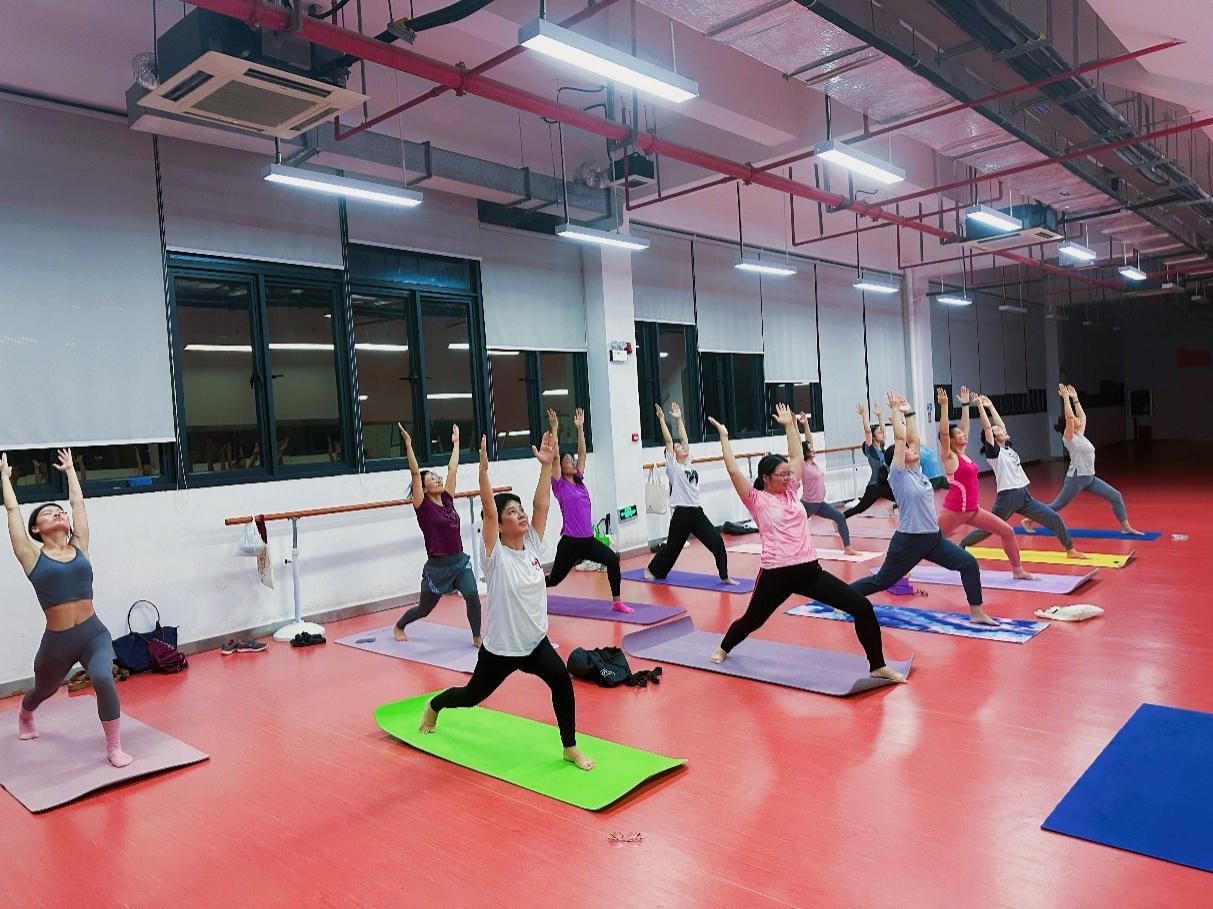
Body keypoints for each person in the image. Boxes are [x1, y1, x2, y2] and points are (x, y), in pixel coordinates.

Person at [419, 433, 595, 771]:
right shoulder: (495, 556)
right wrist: (483, 473)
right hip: (500, 650)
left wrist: (546, 467)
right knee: (470, 696)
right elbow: (488, 512)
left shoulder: (532, 545)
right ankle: (435, 705)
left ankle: (569, 747)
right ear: (500, 527)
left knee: (561, 680)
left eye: (520, 510)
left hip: (535, 643)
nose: (521, 515)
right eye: (512, 513)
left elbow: (542, 506)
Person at [705, 404, 904, 682]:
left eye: (789, 474)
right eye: (782, 475)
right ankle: (724, 647)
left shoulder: (791, 492)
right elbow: (733, 471)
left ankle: (877, 665)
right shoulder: (757, 500)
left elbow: (797, 455)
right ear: (766, 479)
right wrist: (725, 438)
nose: (789, 478)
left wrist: (790, 426)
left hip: (809, 571)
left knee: (862, 607)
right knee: (752, 621)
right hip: (776, 575)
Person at [2, 449, 133, 767]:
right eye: (48, 513)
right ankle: (26, 714)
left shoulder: (80, 546)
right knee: (43, 690)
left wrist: (71, 471)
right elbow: (13, 512)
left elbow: (77, 504)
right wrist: (5, 479)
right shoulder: (31, 556)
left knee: (102, 677)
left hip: (93, 634)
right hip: (57, 643)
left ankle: (114, 747)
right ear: (36, 529)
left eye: (59, 512)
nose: (58, 514)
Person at [852, 393, 999, 626]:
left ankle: (976, 612)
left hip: (933, 538)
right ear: (897, 459)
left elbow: (913, 439)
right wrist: (895, 412)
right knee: (881, 581)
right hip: (908, 542)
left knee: (968, 563)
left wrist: (910, 412)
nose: (914, 449)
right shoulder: (898, 475)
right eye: (907, 450)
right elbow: (901, 438)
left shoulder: (917, 471)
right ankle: (843, 597)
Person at [958, 396, 1087, 558]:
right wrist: (980, 408)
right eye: (998, 432)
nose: (1003, 430)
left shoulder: (1007, 448)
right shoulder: (994, 453)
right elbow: (988, 428)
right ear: (993, 438)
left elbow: (1000, 425)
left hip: (1024, 496)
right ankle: (962, 544)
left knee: (1054, 518)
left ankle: (1070, 550)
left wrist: (990, 406)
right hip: (1007, 498)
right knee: (989, 528)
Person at [393, 423, 482, 645]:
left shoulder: (448, 499)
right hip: (437, 568)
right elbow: (415, 473)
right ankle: (400, 625)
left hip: (459, 562)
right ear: (423, 488)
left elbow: (452, 469)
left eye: (437, 477)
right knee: (424, 609)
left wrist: (456, 444)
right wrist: (408, 445)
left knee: (472, 593)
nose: (438, 479)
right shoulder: (422, 506)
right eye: (432, 479)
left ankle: (477, 635)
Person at [935, 387, 1036, 581]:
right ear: (952, 441)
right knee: (927, 543)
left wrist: (966, 405)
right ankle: (901, 570)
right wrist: (944, 407)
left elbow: (964, 428)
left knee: (1007, 531)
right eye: (959, 434)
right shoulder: (949, 457)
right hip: (954, 511)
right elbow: (944, 434)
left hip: (972, 510)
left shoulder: (963, 453)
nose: (964, 435)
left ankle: (1018, 570)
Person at [1023, 384, 1142, 535]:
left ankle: (1125, 527)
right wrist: (1066, 399)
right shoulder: (1069, 438)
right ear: (1070, 425)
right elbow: (1070, 417)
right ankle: (1028, 520)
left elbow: (1083, 416)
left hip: (1089, 478)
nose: (1078, 419)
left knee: (1115, 496)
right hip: (1076, 478)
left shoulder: (1080, 434)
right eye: (1075, 419)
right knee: (1056, 506)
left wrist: (1075, 399)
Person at [543, 408, 629, 613]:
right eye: (568, 461)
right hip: (570, 543)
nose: (572, 462)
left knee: (612, 560)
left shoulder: (580, 481)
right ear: (561, 467)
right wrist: (554, 429)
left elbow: (582, 453)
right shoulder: (559, 485)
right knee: (554, 580)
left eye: (572, 460)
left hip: (588, 541)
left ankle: (617, 602)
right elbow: (554, 457)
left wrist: (580, 429)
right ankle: (527, 588)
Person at [644, 403, 738, 584]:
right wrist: (662, 419)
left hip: (696, 512)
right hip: (681, 513)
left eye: (683, 447)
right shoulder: (673, 468)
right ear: (673, 454)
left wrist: (679, 419)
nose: (683, 448)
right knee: (672, 548)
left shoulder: (688, 464)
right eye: (679, 448)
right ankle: (652, 569)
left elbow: (684, 438)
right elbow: (669, 441)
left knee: (716, 541)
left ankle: (724, 576)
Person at [795, 411, 859, 556]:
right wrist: (794, 425)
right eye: (810, 449)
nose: (813, 449)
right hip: (808, 504)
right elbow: (799, 444)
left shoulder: (813, 464)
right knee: (796, 526)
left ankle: (848, 548)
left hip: (819, 503)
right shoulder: (802, 464)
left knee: (840, 517)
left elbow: (809, 440)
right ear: (805, 452)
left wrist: (806, 424)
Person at [844, 402, 896, 518]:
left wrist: (880, 416)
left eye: (880, 433)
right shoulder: (870, 450)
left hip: (885, 484)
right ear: (873, 437)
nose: (881, 434)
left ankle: (893, 509)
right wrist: (864, 415)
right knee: (860, 508)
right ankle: (840, 518)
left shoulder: (881, 447)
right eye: (878, 433)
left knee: (902, 498)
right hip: (875, 485)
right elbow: (868, 431)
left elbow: (884, 430)